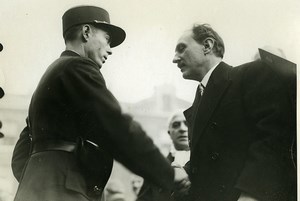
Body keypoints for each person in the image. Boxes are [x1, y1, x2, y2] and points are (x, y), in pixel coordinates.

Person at [11, 5, 190, 201]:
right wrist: (168, 173)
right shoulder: (78, 67)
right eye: (107, 40)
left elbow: (20, 157)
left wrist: (43, 181)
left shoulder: (50, 78)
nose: (110, 50)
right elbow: (117, 126)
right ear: (86, 32)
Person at [172, 24, 296, 201]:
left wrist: (252, 193)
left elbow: (273, 139)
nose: (175, 59)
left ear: (207, 46)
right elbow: (213, 158)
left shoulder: (252, 73)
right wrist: (184, 171)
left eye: (181, 48)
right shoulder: (200, 96)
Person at [136, 111, 190, 201]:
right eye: (176, 125)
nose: (182, 129)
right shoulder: (156, 169)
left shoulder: (203, 163)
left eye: (187, 124)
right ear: (169, 132)